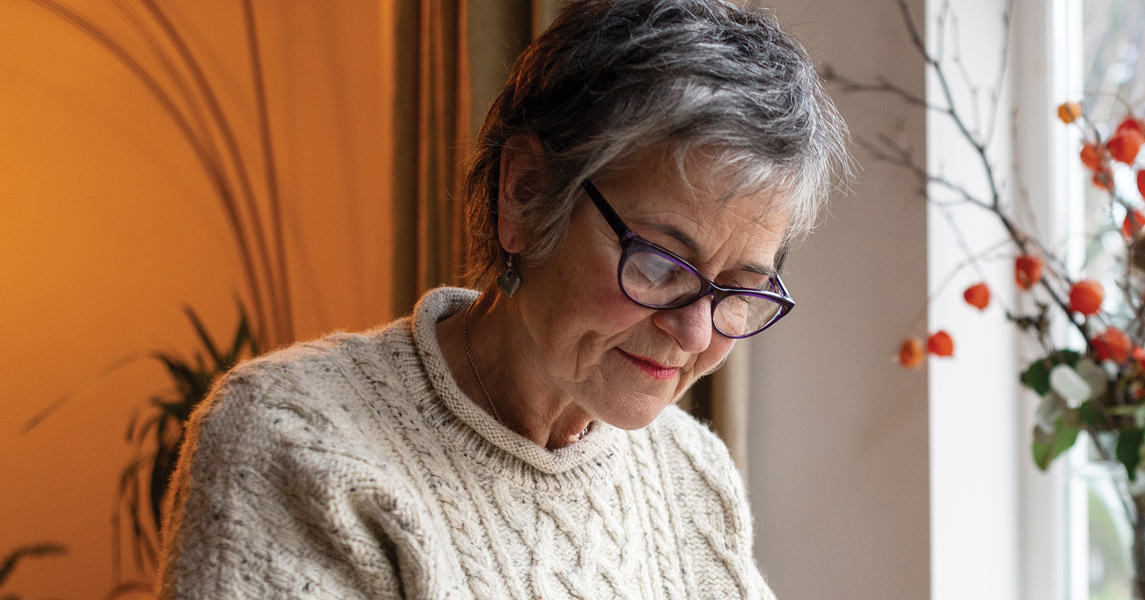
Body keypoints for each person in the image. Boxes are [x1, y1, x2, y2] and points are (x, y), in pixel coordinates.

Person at [154, 0, 846, 597]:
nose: (696, 333)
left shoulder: (689, 469)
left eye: (739, 290)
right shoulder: (298, 443)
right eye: (662, 264)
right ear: (524, 192)